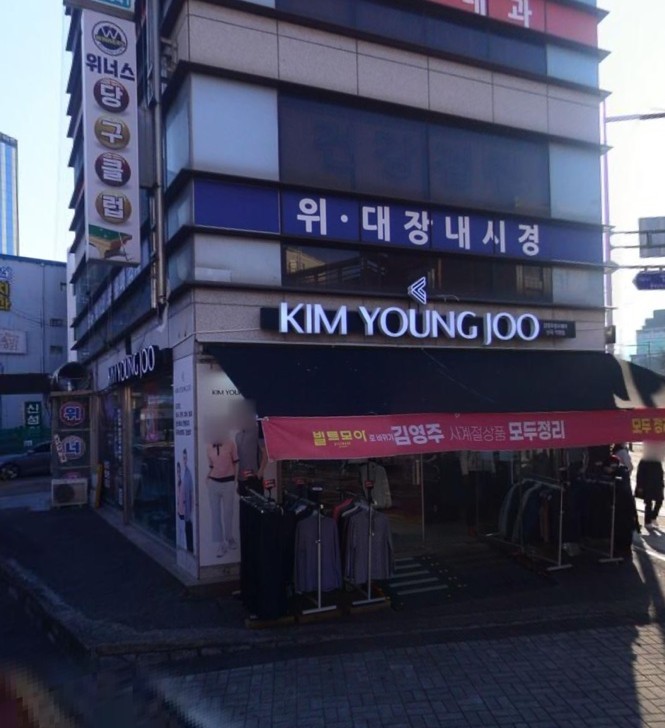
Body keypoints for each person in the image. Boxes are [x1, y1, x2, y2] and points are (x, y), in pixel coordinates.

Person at [207, 433, 239, 558]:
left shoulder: (230, 443)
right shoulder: (209, 446)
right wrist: (207, 478)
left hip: (228, 482)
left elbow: (236, 462)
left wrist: (235, 480)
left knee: (228, 512)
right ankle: (221, 544)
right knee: (215, 514)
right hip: (214, 482)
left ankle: (229, 538)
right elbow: (211, 466)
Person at [636, 452, 664, 528]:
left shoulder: (657, 460)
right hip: (647, 484)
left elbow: (660, 473)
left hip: (657, 484)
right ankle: (647, 521)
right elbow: (640, 474)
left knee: (659, 501)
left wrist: (662, 483)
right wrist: (640, 486)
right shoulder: (644, 460)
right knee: (648, 503)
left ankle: (653, 517)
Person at [181, 449, 194, 552]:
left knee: (188, 529)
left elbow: (191, 494)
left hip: (188, 510)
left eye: (185, 458)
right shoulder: (185, 472)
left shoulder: (188, 474)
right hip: (185, 509)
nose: (184, 460)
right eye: (183, 458)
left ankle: (190, 549)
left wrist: (190, 511)